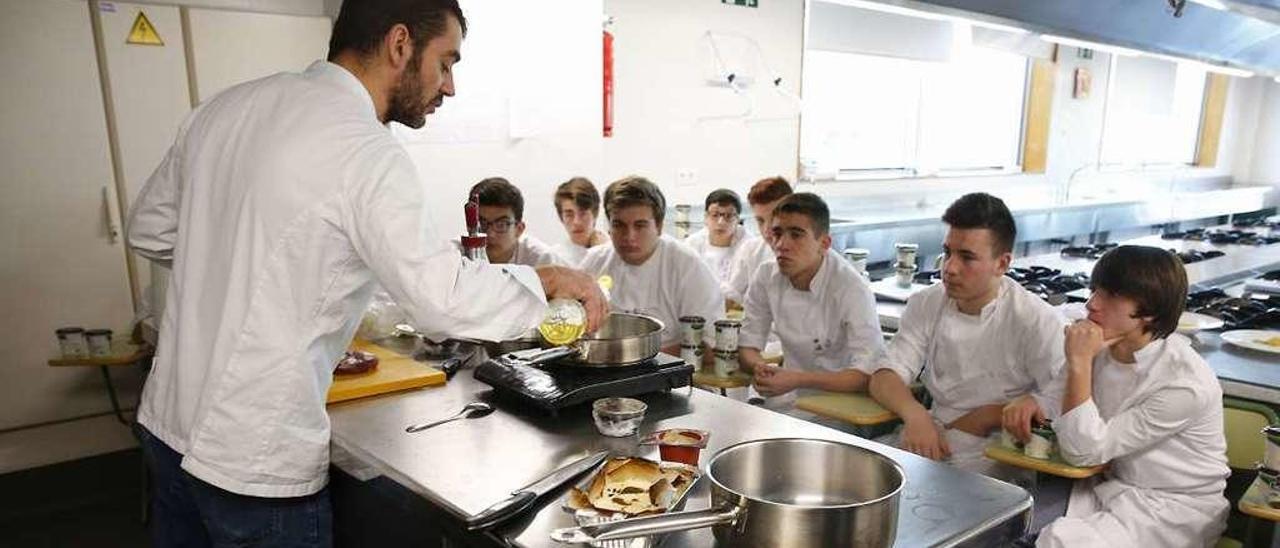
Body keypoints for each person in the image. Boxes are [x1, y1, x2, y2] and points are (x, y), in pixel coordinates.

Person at [125, 2, 604, 546]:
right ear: (400, 44)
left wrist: (228, 261)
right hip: (254, 457)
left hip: (167, 426)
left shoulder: (226, 108)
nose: (450, 87)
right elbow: (441, 299)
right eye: (445, 62)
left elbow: (150, 229)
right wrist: (547, 281)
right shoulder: (366, 151)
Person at [1037, 246, 1228, 547]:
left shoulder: (1184, 383)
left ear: (1149, 311)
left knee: (1062, 542)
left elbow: (1082, 450)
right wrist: (1030, 404)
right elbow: (1052, 402)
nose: (1091, 304)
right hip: (1105, 485)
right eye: (1094, 290)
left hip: (1171, 510)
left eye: (1111, 295)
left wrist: (1079, 363)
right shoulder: (1104, 346)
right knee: (1008, 517)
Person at [867, 192, 1064, 481]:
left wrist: (988, 416)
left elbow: (1062, 402)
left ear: (1002, 263)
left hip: (996, 454)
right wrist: (915, 414)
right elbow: (884, 376)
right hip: (927, 435)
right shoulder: (927, 303)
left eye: (967, 257)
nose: (949, 268)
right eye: (948, 252)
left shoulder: (1035, 320)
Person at [738, 193, 885, 409]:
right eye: (777, 233)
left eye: (796, 235)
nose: (782, 244)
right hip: (785, 396)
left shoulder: (850, 287)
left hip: (841, 407)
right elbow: (747, 346)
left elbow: (866, 374)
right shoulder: (766, 275)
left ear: (824, 243)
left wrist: (797, 379)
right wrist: (761, 368)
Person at [579, 176, 723, 357]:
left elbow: (711, 344)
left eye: (640, 226)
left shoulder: (688, 265)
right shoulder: (593, 263)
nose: (629, 236)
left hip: (671, 374)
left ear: (660, 226)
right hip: (605, 369)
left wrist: (634, 356)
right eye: (619, 225)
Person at [723, 177, 793, 307]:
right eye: (760, 221)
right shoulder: (751, 251)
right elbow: (732, 295)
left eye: (773, 218)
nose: (767, 229)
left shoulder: (810, 252)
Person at [469, 177, 563, 266]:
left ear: (519, 229)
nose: (490, 234)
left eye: (501, 225)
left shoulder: (542, 259)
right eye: (482, 224)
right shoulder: (458, 255)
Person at [684, 189, 753, 285]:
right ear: (706, 217)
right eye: (715, 215)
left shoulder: (750, 247)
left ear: (737, 219)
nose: (721, 222)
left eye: (728, 216)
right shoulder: (691, 245)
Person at [551, 177, 608, 266]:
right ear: (561, 217)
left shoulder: (614, 250)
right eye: (569, 214)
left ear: (595, 214)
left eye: (583, 213)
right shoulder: (554, 259)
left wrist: (602, 250)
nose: (577, 222)